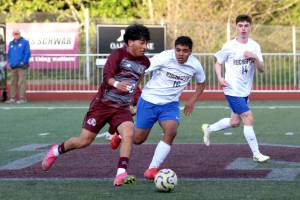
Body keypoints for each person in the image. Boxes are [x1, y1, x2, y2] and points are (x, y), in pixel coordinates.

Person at [41, 24, 151, 186]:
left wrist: (136, 101)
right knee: (84, 141)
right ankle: (56, 150)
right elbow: (106, 76)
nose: (145, 46)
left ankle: (121, 173)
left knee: (128, 133)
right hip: (102, 105)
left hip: (121, 108)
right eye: (142, 43)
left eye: (146, 43)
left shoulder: (145, 62)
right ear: (130, 42)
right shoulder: (118, 55)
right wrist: (116, 84)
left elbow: (136, 84)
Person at [130, 36, 206, 180]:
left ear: (190, 51)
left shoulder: (195, 65)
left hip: (170, 105)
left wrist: (192, 101)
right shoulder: (164, 57)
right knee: (138, 140)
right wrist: (135, 93)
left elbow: (202, 83)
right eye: (178, 50)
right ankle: (119, 135)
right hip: (149, 101)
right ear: (174, 49)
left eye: (185, 51)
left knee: (171, 130)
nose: (181, 54)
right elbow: (142, 71)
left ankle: (152, 168)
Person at [201, 14, 270, 163]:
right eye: (240, 26)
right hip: (232, 89)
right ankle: (256, 154)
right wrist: (220, 78)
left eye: (246, 26)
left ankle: (209, 128)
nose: (243, 29)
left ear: (250, 27)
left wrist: (255, 58)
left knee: (234, 122)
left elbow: (261, 69)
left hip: (245, 90)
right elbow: (217, 62)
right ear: (236, 27)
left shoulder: (255, 46)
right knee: (248, 118)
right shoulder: (229, 46)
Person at [6, 29, 31, 104]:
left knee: (21, 82)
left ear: (20, 34)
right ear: (13, 35)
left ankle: (22, 99)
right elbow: (9, 54)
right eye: (14, 34)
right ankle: (12, 98)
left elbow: (27, 53)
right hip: (13, 66)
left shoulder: (25, 42)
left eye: (17, 34)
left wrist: (23, 62)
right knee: (13, 82)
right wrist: (9, 63)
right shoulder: (11, 43)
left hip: (21, 66)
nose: (16, 35)